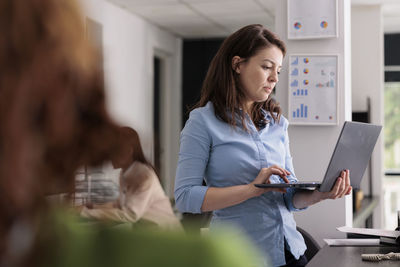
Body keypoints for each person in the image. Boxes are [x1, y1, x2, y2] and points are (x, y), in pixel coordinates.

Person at [0, 1, 265, 266]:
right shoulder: (127, 175)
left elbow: (129, 213)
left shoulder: (143, 177)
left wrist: (83, 210)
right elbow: (116, 206)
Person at [174, 24, 352, 267]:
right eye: (267, 67)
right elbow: (185, 197)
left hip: (292, 253)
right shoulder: (202, 122)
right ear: (237, 65)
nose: (274, 78)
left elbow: (289, 197)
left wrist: (319, 195)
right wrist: (252, 189)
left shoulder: (278, 124)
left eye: (278, 70)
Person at [81, 126, 182, 230]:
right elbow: (120, 204)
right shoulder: (126, 173)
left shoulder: (144, 176)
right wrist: (93, 206)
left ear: (128, 151)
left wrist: (85, 213)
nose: (109, 156)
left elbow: (131, 214)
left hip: (166, 235)